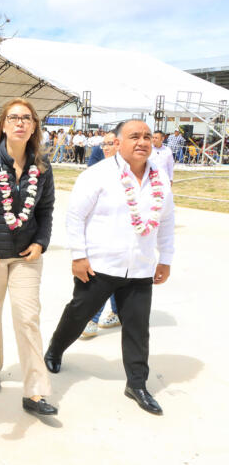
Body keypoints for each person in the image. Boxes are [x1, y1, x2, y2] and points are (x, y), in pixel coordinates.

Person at [44, 120, 174, 416]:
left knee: (138, 329)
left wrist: (165, 257)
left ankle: (137, 383)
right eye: (134, 136)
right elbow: (75, 216)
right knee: (78, 313)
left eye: (146, 136)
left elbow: (166, 222)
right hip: (99, 265)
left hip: (140, 269)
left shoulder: (160, 179)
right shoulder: (98, 174)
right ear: (119, 141)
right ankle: (55, 349)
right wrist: (78, 255)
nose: (142, 142)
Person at [0, 98, 58, 416]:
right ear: (3, 124)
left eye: (27, 118)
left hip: (25, 257)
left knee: (28, 318)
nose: (20, 123)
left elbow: (45, 211)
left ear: (34, 126)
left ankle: (35, 392)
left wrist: (41, 242)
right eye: (14, 117)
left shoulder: (42, 168)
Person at [81, 131, 121, 338]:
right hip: (98, 232)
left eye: (111, 143)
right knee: (110, 277)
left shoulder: (130, 170)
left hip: (119, 235)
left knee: (104, 277)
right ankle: (117, 312)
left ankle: (92, 319)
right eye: (104, 143)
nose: (105, 147)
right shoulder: (99, 167)